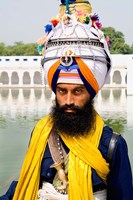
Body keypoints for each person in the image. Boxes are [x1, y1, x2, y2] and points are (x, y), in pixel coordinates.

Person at [1, 0, 133, 199]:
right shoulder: (41, 133)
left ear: (91, 92)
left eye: (78, 91)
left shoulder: (112, 145)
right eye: (62, 91)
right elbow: (26, 184)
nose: (68, 100)